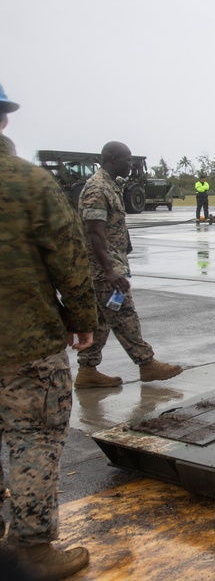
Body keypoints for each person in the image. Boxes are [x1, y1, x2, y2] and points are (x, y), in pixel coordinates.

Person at [0, 83, 98, 579]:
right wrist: (83, 321)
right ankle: (31, 549)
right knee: (33, 438)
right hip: (25, 344)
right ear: (5, 119)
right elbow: (70, 260)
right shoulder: (28, 183)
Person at [75, 141, 184, 388]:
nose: (131, 163)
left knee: (101, 321)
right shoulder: (97, 189)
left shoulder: (110, 185)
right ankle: (147, 364)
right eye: (127, 159)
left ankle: (87, 370)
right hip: (103, 270)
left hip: (109, 264)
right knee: (125, 315)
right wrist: (109, 270)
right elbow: (93, 233)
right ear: (113, 159)